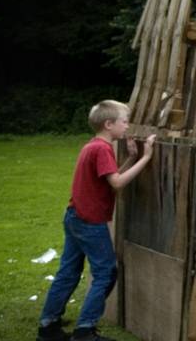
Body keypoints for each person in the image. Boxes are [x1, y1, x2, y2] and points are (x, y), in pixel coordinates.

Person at [37, 101, 156, 341]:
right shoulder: (102, 149)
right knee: (106, 273)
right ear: (108, 124)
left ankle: (48, 327)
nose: (127, 125)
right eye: (124, 121)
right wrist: (146, 158)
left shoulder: (93, 146)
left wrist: (131, 158)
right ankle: (85, 331)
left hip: (75, 216)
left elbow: (108, 180)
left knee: (68, 272)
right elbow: (118, 184)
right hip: (89, 222)